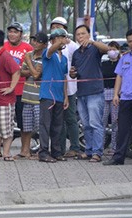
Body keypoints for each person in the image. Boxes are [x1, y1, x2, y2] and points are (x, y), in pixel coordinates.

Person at [70, 24, 109, 162]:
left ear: (88, 34)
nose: (80, 37)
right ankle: (89, 150)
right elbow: (74, 74)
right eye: (78, 34)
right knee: (85, 124)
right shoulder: (76, 53)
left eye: (83, 34)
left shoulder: (94, 48)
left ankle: (98, 152)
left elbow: (108, 50)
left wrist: (93, 42)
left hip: (95, 92)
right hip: (81, 93)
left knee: (95, 123)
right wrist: (72, 73)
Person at [103, 28, 132, 166]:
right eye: (129, 41)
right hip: (125, 98)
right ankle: (118, 157)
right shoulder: (124, 58)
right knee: (122, 129)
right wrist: (116, 94)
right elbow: (119, 76)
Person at [0, 29, 21, 162]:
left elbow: (16, 71)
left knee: (6, 128)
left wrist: (11, 87)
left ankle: (6, 153)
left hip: (4, 100)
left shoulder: (5, 56)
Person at [49, 17, 80, 158]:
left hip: (70, 88)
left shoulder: (72, 45)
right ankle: (59, 149)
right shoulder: (50, 45)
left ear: (65, 30)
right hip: (55, 89)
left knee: (70, 118)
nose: (55, 28)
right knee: (57, 121)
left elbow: (78, 63)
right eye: (53, 26)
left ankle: (75, 147)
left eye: (59, 26)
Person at [38, 29, 69, 163]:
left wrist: (66, 96)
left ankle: (56, 151)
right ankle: (43, 152)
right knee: (45, 124)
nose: (62, 40)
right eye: (59, 38)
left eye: (64, 37)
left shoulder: (65, 58)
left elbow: (64, 78)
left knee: (58, 125)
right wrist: (58, 43)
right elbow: (51, 50)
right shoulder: (47, 53)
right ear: (52, 40)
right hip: (47, 94)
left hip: (59, 96)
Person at [4, 22, 34, 160]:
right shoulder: (3, 47)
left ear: (21, 34)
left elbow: (34, 70)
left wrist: (18, 72)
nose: (12, 34)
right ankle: (4, 152)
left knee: (24, 123)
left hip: (23, 90)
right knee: (5, 123)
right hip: (5, 91)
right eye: (10, 31)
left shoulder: (28, 48)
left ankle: (25, 150)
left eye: (15, 32)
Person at [16, 32, 46, 159]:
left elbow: (36, 75)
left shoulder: (46, 57)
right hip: (27, 95)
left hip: (39, 97)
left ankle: (42, 150)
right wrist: (32, 68)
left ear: (45, 44)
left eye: (38, 41)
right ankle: (25, 151)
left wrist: (28, 62)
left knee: (40, 126)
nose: (35, 43)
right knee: (25, 126)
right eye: (33, 40)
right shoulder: (30, 54)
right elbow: (21, 72)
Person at [101, 41, 121, 155]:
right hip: (104, 92)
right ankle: (101, 146)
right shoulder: (104, 64)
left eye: (114, 49)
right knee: (102, 120)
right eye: (110, 49)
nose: (112, 51)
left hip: (116, 94)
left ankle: (114, 147)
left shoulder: (121, 63)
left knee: (115, 121)